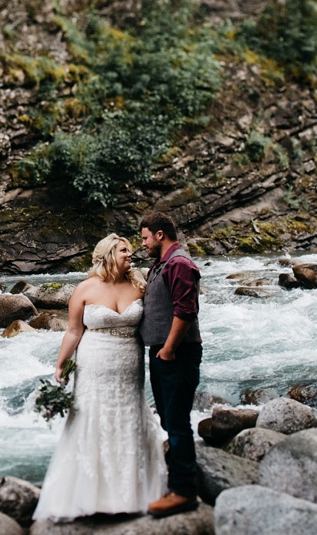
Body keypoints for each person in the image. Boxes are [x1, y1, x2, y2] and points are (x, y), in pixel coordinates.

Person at [32, 234, 167, 522]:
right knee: (93, 416)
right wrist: (61, 365)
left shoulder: (138, 284)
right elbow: (73, 331)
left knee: (129, 415)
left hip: (130, 361)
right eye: (124, 250)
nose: (130, 254)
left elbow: (158, 316)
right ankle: (90, 495)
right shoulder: (84, 289)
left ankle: (132, 492)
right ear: (108, 256)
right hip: (94, 361)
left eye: (131, 249)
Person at [139, 212, 203, 518]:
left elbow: (186, 310)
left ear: (160, 234)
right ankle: (179, 480)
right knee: (169, 418)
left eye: (145, 238)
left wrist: (167, 349)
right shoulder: (162, 265)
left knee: (177, 421)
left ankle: (184, 492)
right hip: (164, 353)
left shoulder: (179, 263)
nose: (143, 244)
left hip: (177, 354)